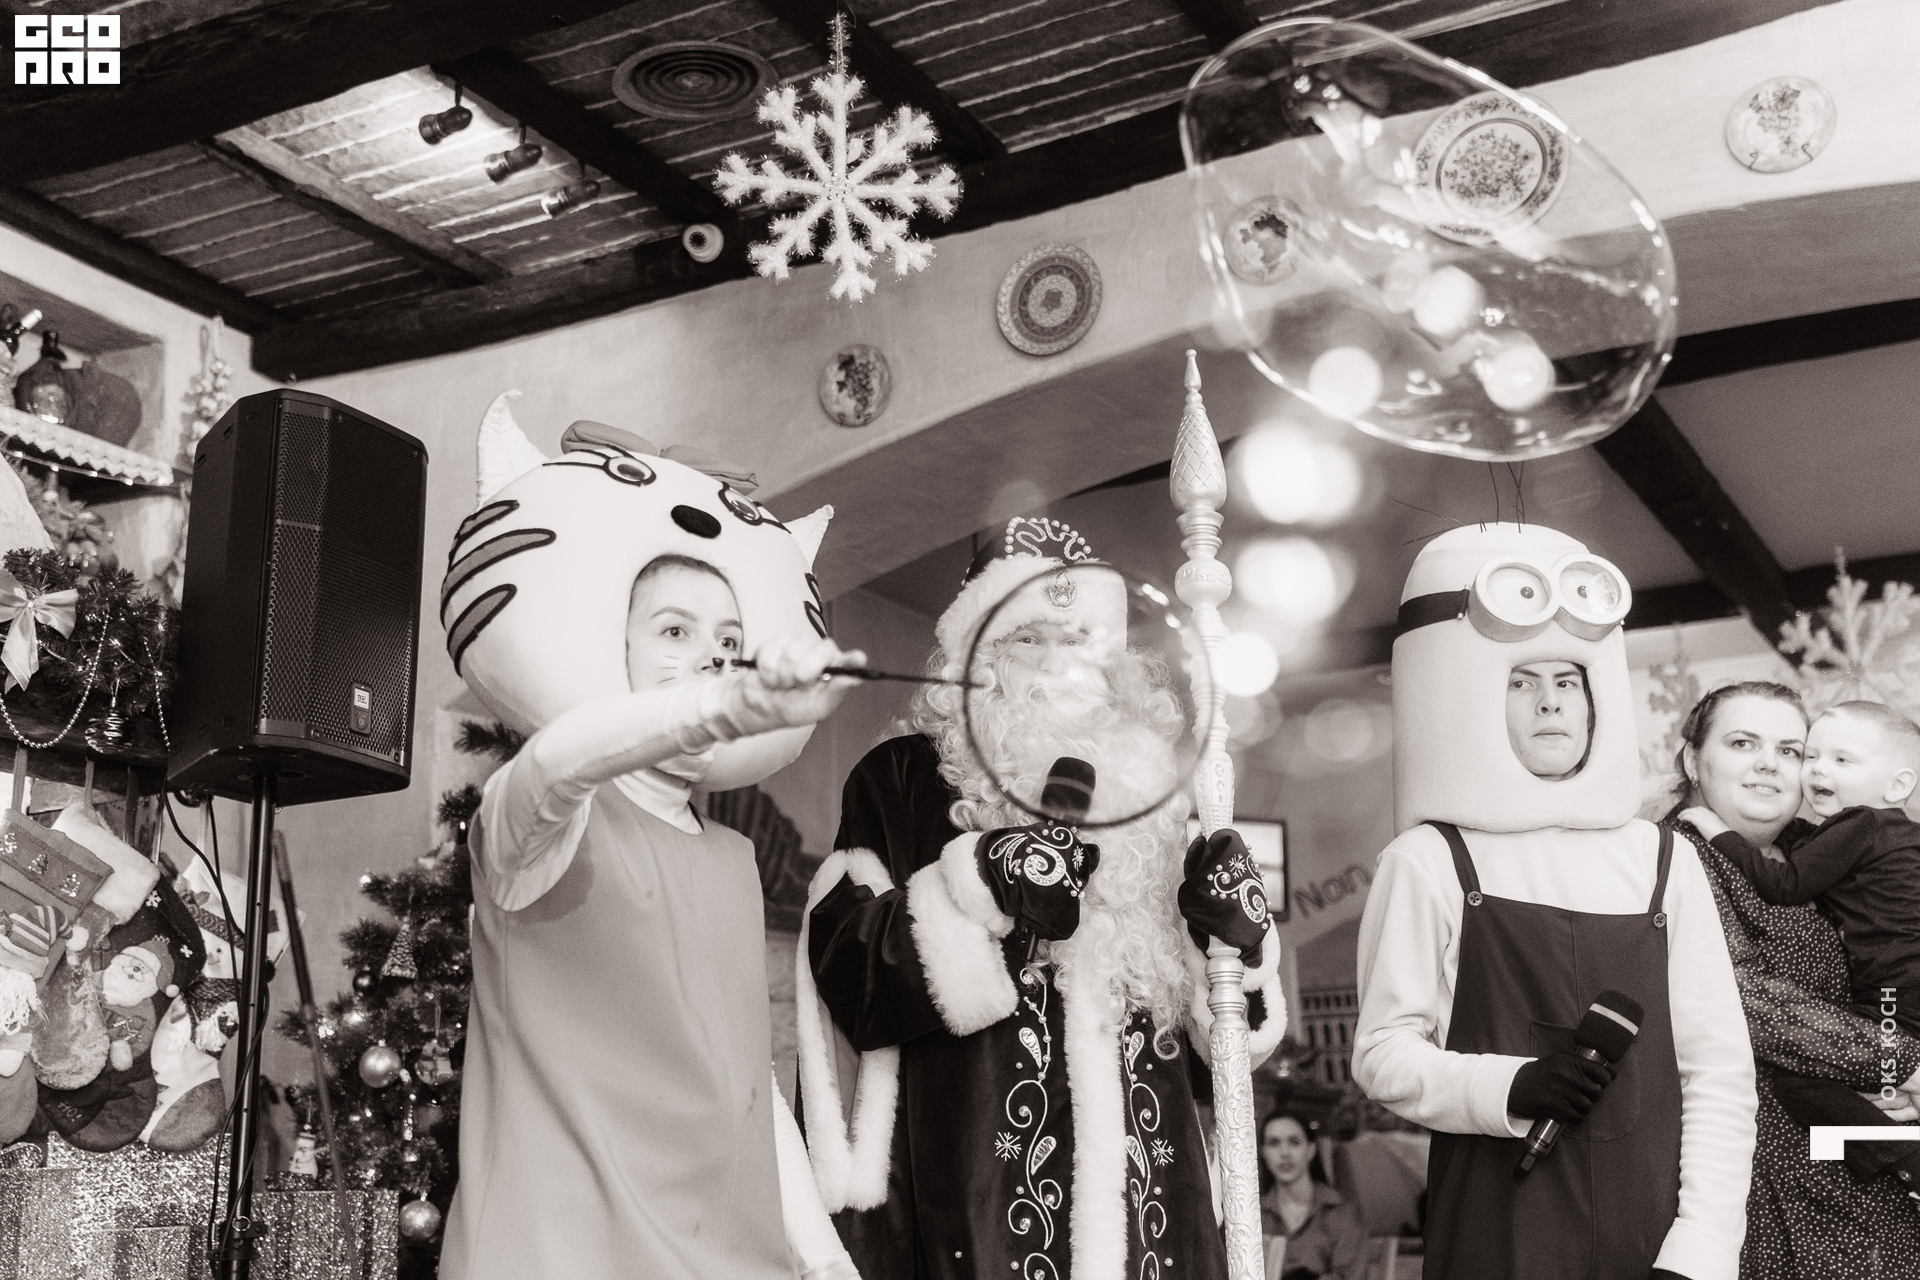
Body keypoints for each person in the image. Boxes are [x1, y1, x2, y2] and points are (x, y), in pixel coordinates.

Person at [438, 394, 861, 1280]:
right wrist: (708, 705)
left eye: (730, 641)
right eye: (674, 632)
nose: (712, 656)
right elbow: (555, 763)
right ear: (617, 648)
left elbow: (747, 1085)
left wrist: (827, 1262)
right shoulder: (538, 827)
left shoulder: (733, 858)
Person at [797, 515, 1285, 1280]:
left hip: (1154, 1207)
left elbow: (1220, 1051)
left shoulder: (1156, 801)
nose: (1060, 663)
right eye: (1030, 639)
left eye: (1082, 638)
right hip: (973, 1199)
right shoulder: (904, 779)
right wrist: (986, 886)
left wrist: (1236, 949)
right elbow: (849, 979)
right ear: (977, 658)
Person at [1353, 522, 1757, 1280]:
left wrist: (1701, 1248)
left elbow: (1717, 1071)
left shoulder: (1663, 858)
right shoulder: (1429, 860)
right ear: (1475, 694)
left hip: (1653, 1244)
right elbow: (1381, 1054)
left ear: (1595, 698)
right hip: (1494, 1236)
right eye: (1522, 682)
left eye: (1567, 681)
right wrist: (1509, 1084)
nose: (1550, 704)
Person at [1666, 682, 1920, 1277]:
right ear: (1693, 760)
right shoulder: (1671, 857)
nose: (1770, 764)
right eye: (1742, 743)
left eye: (1790, 750)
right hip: (1770, 1168)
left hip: (1863, 1162)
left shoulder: (1822, 850)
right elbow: (1740, 995)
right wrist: (1905, 1063)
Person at [1259, 1108, 1365, 1280]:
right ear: (1263, 1152)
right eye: (1274, 1143)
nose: (1284, 1153)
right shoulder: (1253, 1215)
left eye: (1294, 1142)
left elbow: (1352, 1276)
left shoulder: (1341, 1211)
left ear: (1311, 1149)